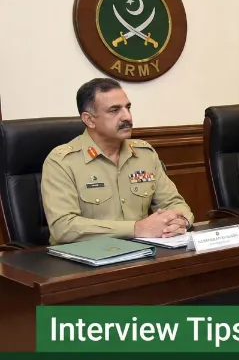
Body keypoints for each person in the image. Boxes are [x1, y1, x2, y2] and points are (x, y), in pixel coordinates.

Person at [41, 78, 194, 245]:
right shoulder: (62, 162)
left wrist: (180, 221)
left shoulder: (144, 154)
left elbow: (174, 203)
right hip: (87, 256)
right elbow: (63, 227)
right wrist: (136, 228)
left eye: (128, 107)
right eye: (114, 110)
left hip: (142, 252)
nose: (127, 117)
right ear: (89, 120)